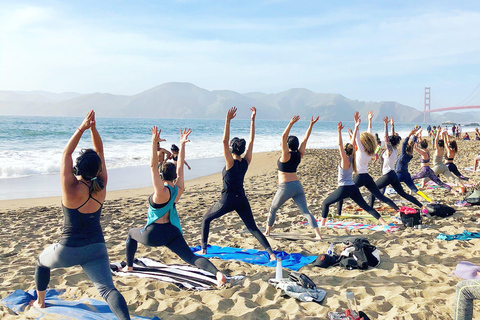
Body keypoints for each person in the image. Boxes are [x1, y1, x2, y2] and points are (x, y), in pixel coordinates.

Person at [29, 111, 130, 320]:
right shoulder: (101, 185)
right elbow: (100, 151)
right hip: (97, 249)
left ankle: (40, 301)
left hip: (68, 250)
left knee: (41, 262)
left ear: (78, 167)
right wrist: (93, 128)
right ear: (98, 169)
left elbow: (66, 153)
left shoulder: (70, 188)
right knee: (108, 290)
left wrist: (82, 128)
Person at [123, 127, 226, 287]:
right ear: (174, 176)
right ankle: (218, 274)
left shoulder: (160, 192)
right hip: (171, 232)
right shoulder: (178, 189)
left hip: (153, 235)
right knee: (191, 258)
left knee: (131, 234)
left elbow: (152, 166)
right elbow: (180, 168)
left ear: (161, 175)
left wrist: (153, 142)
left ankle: (129, 268)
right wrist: (182, 145)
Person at [200, 107, 276, 260]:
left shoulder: (230, 162)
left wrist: (227, 121)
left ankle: (203, 250)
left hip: (227, 200)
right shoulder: (246, 161)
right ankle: (271, 254)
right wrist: (252, 119)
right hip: (241, 198)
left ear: (232, 149)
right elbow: (252, 140)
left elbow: (223, 140)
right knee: (252, 228)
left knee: (206, 219)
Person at [264, 115, 322, 239]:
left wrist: (290, 123)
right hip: (297, 186)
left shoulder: (286, 155)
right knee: (305, 212)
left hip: (285, 187)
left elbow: (283, 137)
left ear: (288, 145)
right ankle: (318, 235)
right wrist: (311, 124)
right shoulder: (299, 154)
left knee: (273, 208)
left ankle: (267, 232)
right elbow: (306, 139)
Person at [320, 120, 386, 226]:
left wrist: (339, 131)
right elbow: (352, 143)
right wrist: (355, 128)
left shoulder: (345, 159)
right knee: (366, 207)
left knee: (325, 203)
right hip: (353, 188)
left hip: (343, 188)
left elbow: (340, 144)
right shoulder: (354, 157)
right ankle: (383, 223)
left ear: (345, 151)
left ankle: (322, 225)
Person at [337, 111, 399, 215]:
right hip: (367, 177)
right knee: (380, 196)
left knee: (341, 194)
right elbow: (369, 134)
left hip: (358, 177)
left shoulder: (361, 150)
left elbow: (357, 136)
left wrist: (356, 122)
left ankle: (338, 213)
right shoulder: (371, 151)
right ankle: (398, 209)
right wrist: (369, 120)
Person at [368, 117, 424, 209]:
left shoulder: (390, 150)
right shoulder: (394, 149)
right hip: (393, 175)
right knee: (403, 194)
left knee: (373, 189)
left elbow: (386, 137)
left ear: (389, 142)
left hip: (388, 175)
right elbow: (392, 136)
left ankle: (370, 209)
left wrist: (385, 125)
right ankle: (420, 205)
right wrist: (392, 125)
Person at [410, 129, 455, 193]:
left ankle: (411, 192)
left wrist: (415, 137)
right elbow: (420, 145)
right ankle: (454, 191)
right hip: (430, 170)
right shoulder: (427, 151)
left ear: (421, 147)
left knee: (411, 178)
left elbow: (414, 148)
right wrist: (419, 136)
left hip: (424, 170)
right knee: (440, 183)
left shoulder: (423, 153)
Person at [395, 128, 432, 202]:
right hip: (406, 175)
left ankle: (380, 195)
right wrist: (415, 136)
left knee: (386, 183)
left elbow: (404, 144)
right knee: (415, 190)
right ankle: (429, 199)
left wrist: (409, 134)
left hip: (398, 174)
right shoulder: (410, 156)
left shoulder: (403, 155)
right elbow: (410, 145)